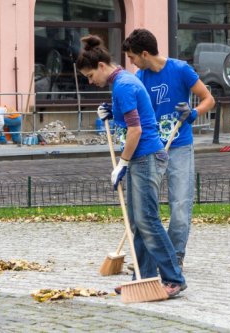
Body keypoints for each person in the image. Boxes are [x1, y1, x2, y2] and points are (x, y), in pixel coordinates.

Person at [75, 35, 186, 296]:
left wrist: (122, 163)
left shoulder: (123, 85)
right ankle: (142, 277)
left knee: (147, 220)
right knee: (138, 222)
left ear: (102, 66)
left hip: (145, 157)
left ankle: (174, 278)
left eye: (90, 76)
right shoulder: (124, 82)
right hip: (142, 156)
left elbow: (135, 130)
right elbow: (135, 116)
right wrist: (113, 113)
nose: (91, 82)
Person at [122, 29, 215, 268]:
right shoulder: (139, 77)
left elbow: (208, 99)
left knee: (181, 204)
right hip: (151, 148)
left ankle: (175, 255)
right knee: (144, 206)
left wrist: (193, 113)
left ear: (144, 53)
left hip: (179, 145)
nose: (131, 62)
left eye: (132, 57)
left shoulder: (181, 70)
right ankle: (148, 256)